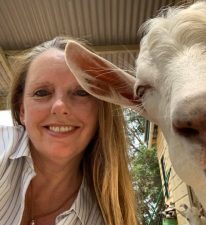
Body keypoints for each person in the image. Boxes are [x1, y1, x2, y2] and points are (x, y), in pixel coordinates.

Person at [0, 37, 138, 225]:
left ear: (100, 111)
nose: (60, 106)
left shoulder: (104, 218)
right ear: (22, 110)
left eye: (81, 93)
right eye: (42, 92)